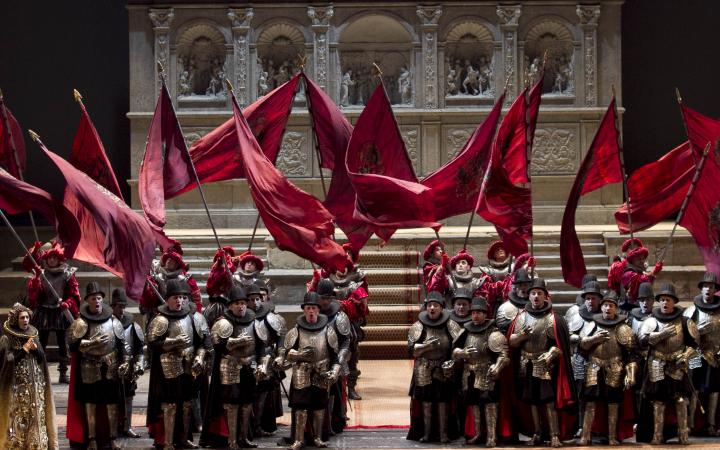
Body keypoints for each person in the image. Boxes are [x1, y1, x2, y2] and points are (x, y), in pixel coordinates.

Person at [508, 278, 576, 447]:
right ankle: (537, 433)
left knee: (548, 400)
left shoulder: (555, 319)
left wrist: (551, 353)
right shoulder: (520, 318)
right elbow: (512, 342)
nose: (536, 296)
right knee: (532, 401)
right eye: (533, 293)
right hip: (526, 365)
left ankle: (554, 434)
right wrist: (521, 336)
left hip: (546, 366)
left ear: (546, 296)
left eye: (539, 293)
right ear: (529, 296)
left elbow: (561, 348)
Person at [67, 282, 131, 450]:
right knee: (90, 403)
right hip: (89, 366)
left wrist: (125, 361)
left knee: (111, 403)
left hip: (111, 365)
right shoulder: (81, 322)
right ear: (87, 300)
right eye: (93, 298)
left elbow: (122, 343)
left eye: (99, 298)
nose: (97, 301)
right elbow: (73, 345)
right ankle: (92, 438)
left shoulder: (113, 321)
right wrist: (91, 343)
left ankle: (112, 437)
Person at [146, 279, 209, 450]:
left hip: (189, 365)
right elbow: (152, 342)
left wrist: (200, 358)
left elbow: (203, 342)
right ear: (167, 299)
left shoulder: (193, 317)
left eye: (182, 297)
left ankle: (184, 437)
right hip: (167, 367)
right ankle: (166, 441)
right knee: (170, 404)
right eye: (175, 297)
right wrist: (173, 341)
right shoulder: (161, 319)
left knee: (187, 403)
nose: (179, 301)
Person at [275, 292, 342, 450]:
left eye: (313, 308)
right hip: (301, 372)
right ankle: (298, 439)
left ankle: (318, 437)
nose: (311, 311)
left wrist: (334, 372)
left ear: (318, 310)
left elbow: (335, 357)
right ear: (303, 310)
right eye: (308, 308)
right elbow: (285, 354)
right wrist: (296, 355)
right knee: (300, 407)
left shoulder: (328, 331)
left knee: (319, 407)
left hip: (321, 372)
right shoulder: (295, 331)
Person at [202, 285, 266, 449]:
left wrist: (262, 364)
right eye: (237, 303)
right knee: (232, 403)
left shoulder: (254, 322)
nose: (241, 306)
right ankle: (232, 440)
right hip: (229, 366)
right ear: (230, 305)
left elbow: (261, 347)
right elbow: (217, 344)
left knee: (247, 403)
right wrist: (237, 342)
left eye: (243, 303)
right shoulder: (223, 322)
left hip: (249, 367)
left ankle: (244, 437)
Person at [637, 283, 698, 444]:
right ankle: (657, 436)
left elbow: (695, 345)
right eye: (662, 300)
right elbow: (641, 341)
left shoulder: (684, 321)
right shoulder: (651, 320)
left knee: (680, 401)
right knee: (658, 402)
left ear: (674, 302)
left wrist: (685, 356)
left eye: (668, 300)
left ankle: (683, 434)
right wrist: (659, 335)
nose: (665, 303)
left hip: (678, 364)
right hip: (656, 363)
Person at [577, 291, 638, 445]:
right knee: (590, 402)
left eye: (611, 305)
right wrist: (593, 339)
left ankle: (612, 436)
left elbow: (631, 355)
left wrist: (630, 374)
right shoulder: (592, 325)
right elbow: (582, 347)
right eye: (605, 305)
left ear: (616, 309)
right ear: (601, 308)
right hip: (594, 365)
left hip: (615, 366)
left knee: (613, 403)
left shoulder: (623, 328)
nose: (608, 308)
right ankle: (585, 435)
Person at [406, 291, 463, 443]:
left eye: (435, 305)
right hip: (423, 367)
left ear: (442, 308)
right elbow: (412, 350)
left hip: (444, 367)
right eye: (430, 305)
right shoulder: (418, 326)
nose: (432, 308)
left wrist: (452, 361)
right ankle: (426, 433)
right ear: (425, 307)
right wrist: (426, 346)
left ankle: (443, 433)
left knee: (443, 401)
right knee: (426, 401)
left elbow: (458, 348)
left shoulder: (451, 325)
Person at [452, 296, 509, 447]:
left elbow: (504, 355)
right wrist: (462, 353)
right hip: (469, 372)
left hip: (486, 372)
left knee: (489, 404)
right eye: (473, 312)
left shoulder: (493, 332)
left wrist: (497, 367)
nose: (475, 315)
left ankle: (491, 436)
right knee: (474, 404)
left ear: (485, 314)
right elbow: (454, 351)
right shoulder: (466, 331)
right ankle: (478, 433)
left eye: (479, 312)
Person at [0, 303, 58, 450]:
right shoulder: (7, 339)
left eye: (26, 317)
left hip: (36, 387)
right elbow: (8, 362)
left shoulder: (33, 336)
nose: (25, 320)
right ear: (15, 320)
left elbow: (42, 360)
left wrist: (36, 351)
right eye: (22, 318)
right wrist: (24, 350)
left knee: (36, 416)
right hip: (17, 389)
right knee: (18, 419)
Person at [25, 241, 80, 383]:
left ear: (60, 259)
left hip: (60, 311)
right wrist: (37, 281)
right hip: (44, 310)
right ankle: (41, 371)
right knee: (41, 341)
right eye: (49, 258)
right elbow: (36, 295)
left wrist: (67, 303)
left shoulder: (67, 273)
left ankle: (63, 373)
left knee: (63, 343)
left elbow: (73, 294)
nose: (52, 260)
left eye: (55, 258)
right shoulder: (41, 273)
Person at [684, 272, 720, 435]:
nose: (707, 289)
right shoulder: (692, 311)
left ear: (715, 290)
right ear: (701, 289)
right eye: (705, 286)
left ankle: (711, 424)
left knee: (714, 389)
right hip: (695, 354)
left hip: (715, 354)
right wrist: (697, 331)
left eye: (711, 287)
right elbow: (683, 334)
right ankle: (690, 423)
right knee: (694, 388)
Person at [249, 282, 287, 436]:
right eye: (251, 299)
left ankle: (258, 424)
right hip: (247, 359)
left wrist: (280, 356)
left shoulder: (271, 317)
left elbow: (280, 340)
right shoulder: (241, 316)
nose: (255, 302)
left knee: (263, 394)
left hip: (266, 359)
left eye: (257, 299)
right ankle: (248, 427)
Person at [565, 280, 602, 435]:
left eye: (594, 298)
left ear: (599, 299)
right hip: (580, 359)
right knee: (580, 396)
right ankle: (580, 426)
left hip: (601, 360)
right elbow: (569, 335)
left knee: (600, 397)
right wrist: (580, 340)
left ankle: (598, 428)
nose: (591, 301)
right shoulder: (576, 315)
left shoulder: (606, 313)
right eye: (588, 298)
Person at [316, 279, 352, 435]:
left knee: (334, 395)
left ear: (332, 298)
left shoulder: (340, 317)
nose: (324, 301)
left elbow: (346, 341)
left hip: (336, 361)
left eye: (327, 298)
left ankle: (332, 422)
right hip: (317, 361)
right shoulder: (313, 313)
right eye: (322, 298)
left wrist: (339, 362)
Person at [110, 288, 146, 439]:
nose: (122, 310)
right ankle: (113, 427)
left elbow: (139, 349)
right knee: (112, 397)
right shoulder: (108, 323)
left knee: (129, 397)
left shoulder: (132, 324)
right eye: (119, 306)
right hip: (112, 366)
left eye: (123, 306)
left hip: (129, 367)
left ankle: (127, 426)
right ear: (112, 306)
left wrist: (139, 364)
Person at [141, 245, 202, 324]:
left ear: (177, 264)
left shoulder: (186, 280)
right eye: (167, 258)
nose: (169, 260)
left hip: (183, 317)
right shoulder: (156, 279)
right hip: (161, 316)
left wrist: (196, 317)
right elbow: (150, 300)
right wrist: (146, 288)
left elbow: (197, 300)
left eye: (172, 259)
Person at [620, 243, 662, 308]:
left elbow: (647, 286)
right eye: (639, 259)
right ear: (633, 261)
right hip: (629, 307)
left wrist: (654, 274)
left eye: (643, 259)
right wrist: (654, 272)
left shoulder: (641, 272)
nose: (642, 261)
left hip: (641, 306)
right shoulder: (628, 272)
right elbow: (639, 280)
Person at [495, 268, 532, 334]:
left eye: (525, 285)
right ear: (515, 287)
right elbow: (501, 329)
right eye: (520, 285)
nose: (523, 287)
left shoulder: (536, 305)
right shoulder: (505, 307)